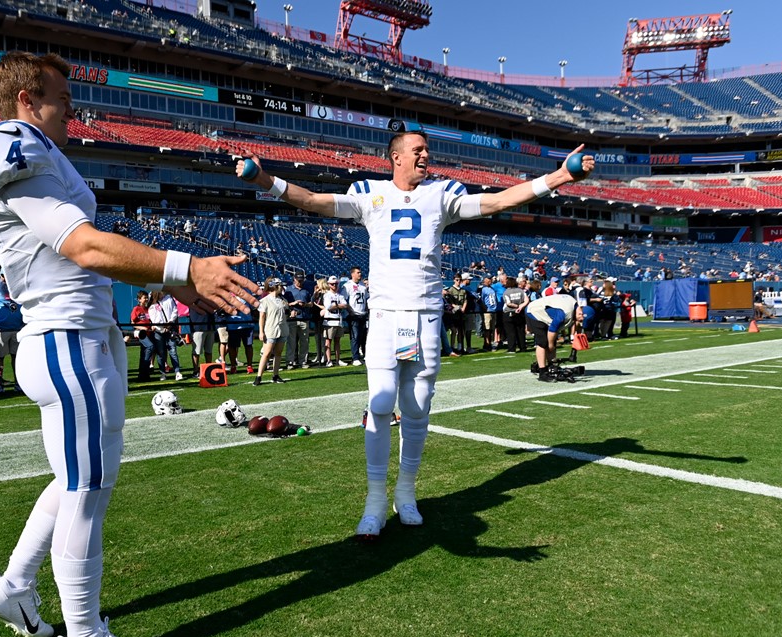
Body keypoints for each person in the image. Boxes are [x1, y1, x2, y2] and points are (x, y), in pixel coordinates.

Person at [0, 51, 256, 637]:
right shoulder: (8, 139)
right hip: (67, 339)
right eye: (60, 98)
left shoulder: (42, 156)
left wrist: (176, 282)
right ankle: (86, 632)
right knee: (86, 489)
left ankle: (16, 585)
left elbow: (86, 261)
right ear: (27, 99)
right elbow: (85, 249)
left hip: (80, 336)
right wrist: (188, 267)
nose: (72, 108)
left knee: (79, 477)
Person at [237, 131, 593, 540]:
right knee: (382, 400)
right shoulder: (370, 194)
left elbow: (497, 201)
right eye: (418, 149)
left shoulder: (441, 194)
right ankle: (374, 499)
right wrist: (265, 182)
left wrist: (560, 176)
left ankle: (405, 492)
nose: (426, 155)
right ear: (396, 157)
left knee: (418, 405)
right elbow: (314, 201)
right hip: (387, 316)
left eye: (427, 149)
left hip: (424, 317)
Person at [525, 293, 583, 382]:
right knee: (543, 343)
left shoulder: (574, 307)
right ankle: (542, 372)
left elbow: (577, 325)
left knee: (552, 342)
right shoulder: (564, 313)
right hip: (534, 312)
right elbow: (552, 330)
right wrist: (551, 345)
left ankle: (551, 365)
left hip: (544, 313)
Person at [0, 273, 24, 387]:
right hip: (1, 329)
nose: (5, 278)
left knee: (17, 357)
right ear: (0, 276)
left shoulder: (19, 286)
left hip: (18, 328)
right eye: (3, 275)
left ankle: (19, 383)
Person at [253, 279, 289, 386]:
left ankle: (275, 375)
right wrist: (261, 331)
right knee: (266, 353)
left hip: (282, 329)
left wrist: (291, 313)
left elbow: (286, 314)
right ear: (275, 286)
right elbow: (262, 317)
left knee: (278, 353)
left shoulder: (283, 300)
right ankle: (259, 376)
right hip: (270, 329)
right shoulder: (265, 301)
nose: (282, 288)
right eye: (280, 286)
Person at [148, 290, 184, 381]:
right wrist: (162, 328)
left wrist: (170, 323)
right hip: (159, 331)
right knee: (161, 353)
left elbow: (175, 311)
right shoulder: (152, 306)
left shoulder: (169, 299)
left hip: (170, 329)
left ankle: (177, 372)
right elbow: (154, 320)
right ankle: (162, 373)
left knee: (173, 351)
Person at [342, 266, 368, 365]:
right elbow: (344, 300)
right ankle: (355, 357)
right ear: (352, 274)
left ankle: (365, 355)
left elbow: (366, 299)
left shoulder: (362, 286)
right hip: (354, 314)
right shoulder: (347, 285)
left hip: (362, 314)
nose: (360, 274)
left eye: (360, 272)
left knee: (363, 337)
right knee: (355, 336)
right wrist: (350, 311)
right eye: (358, 272)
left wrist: (366, 310)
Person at [321, 275, 347, 366]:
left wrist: (337, 306)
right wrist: (339, 306)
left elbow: (345, 305)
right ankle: (329, 360)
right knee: (328, 341)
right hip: (329, 321)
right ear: (329, 284)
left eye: (336, 284)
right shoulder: (327, 295)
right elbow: (329, 307)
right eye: (332, 284)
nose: (334, 286)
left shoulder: (340, 295)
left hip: (338, 320)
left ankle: (338, 359)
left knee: (337, 341)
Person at [130, 290, 153, 382]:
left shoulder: (148, 309)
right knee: (150, 346)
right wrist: (142, 328)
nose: (146, 299)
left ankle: (143, 375)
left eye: (147, 297)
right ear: (139, 299)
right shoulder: (136, 309)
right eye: (144, 297)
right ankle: (144, 370)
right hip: (141, 333)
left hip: (148, 333)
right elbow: (132, 323)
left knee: (144, 353)